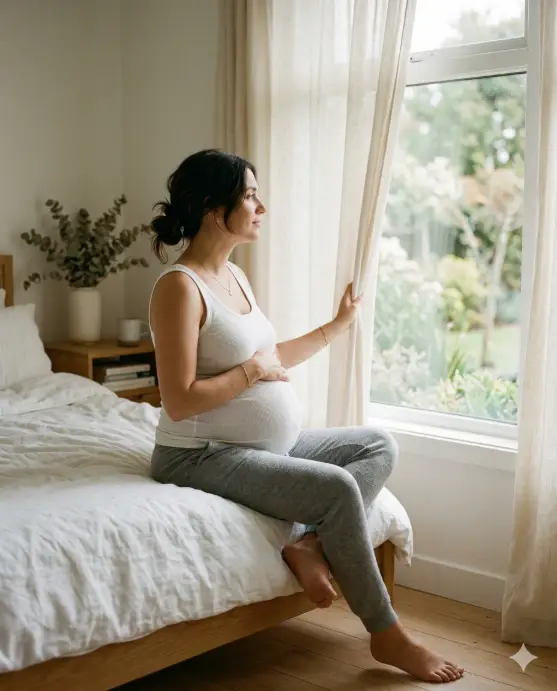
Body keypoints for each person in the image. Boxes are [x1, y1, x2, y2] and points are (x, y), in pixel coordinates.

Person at [148, 149, 463, 684]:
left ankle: (309, 544)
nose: (261, 205)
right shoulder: (179, 287)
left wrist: (336, 326)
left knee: (377, 445)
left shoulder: (235, 277)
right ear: (211, 208)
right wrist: (250, 374)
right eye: (249, 195)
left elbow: (269, 358)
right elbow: (178, 399)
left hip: (258, 448)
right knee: (339, 489)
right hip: (199, 455)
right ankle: (386, 632)